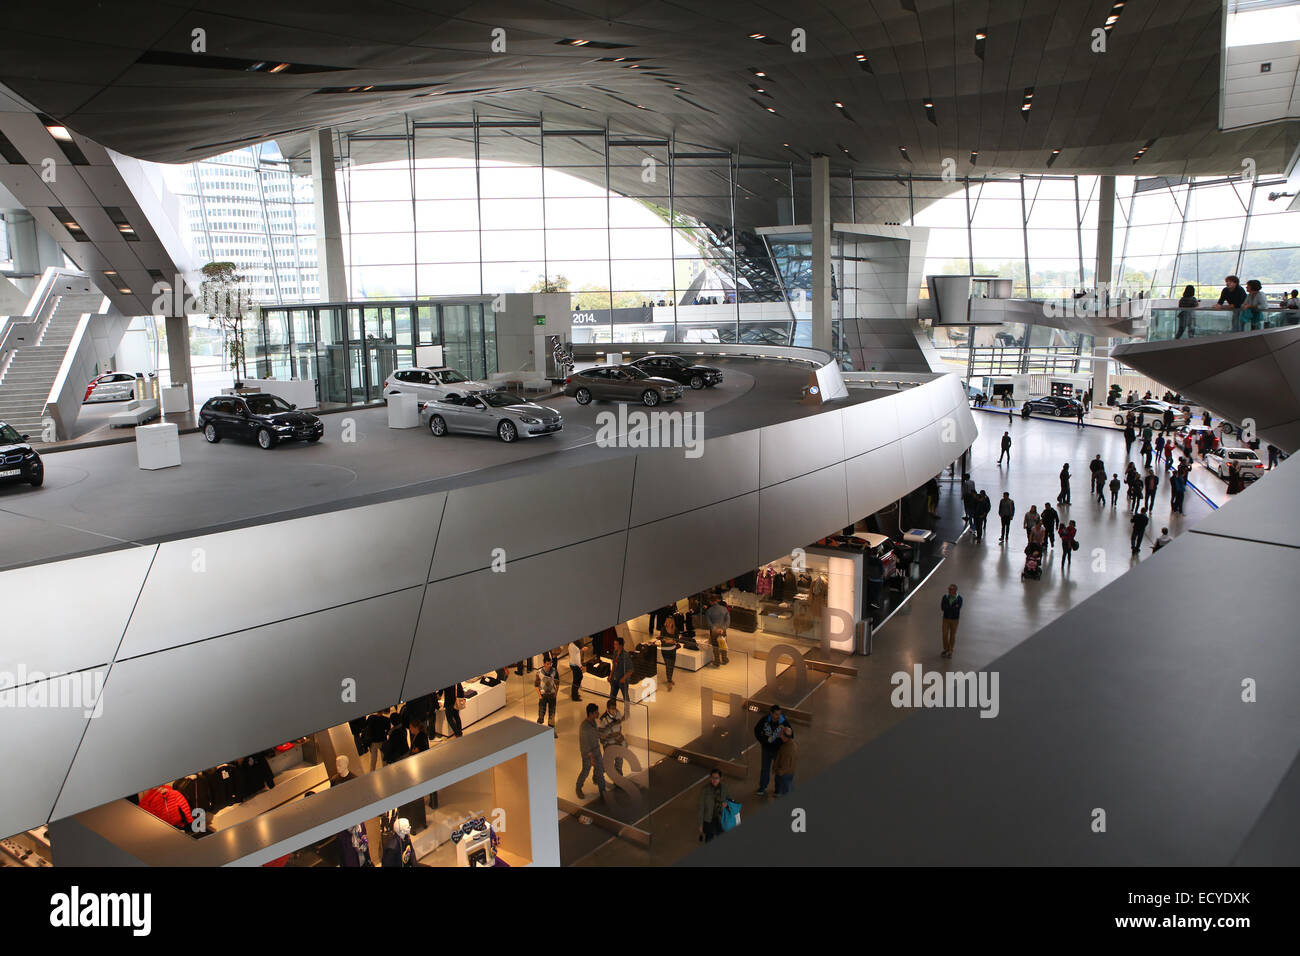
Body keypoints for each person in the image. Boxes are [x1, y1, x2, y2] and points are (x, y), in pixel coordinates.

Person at [753, 704, 789, 796]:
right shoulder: (765, 720)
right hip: (766, 749)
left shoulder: (783, 721)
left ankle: (778, 789)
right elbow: (757, 730)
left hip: (778, 750)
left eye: (779, 714)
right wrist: (763, 741)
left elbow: (790, 733)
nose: (778, 716)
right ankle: (762, 787)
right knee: (765, 769)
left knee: (778, 770)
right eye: (776, 714)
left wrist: (783, 742)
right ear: (771, 713)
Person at [576, 703, 606, 800]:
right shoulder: (584, 727)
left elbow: (595, 733)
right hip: (588, 754)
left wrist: (600, 736)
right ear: (591, 713)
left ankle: (603, 792)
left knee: (600, 770)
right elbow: (585, 745)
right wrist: (591, 758)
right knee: (585, 771)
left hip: (596, 750)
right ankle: (578, 787)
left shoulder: (593, 722)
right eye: (596, 712)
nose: (598, 713)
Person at [698, 769, 731, 843]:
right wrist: (700, 824)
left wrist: (727, 803)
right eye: (713, 777)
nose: (714, 780)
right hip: (708, 819)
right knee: (709, 839)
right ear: (710, 778)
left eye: (717, 778)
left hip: (720, 818)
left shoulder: (724, 788)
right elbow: (701, 808)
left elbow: (730, 799)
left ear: (720, 778)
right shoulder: (705, 790)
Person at [598, 699, 626, 776]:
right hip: (609, 744)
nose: (613, 711)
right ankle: (598, 774)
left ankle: (619, 779)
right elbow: (601, 734)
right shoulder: (604, 720)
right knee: (607, 763)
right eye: (612, 709)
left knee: (619, 761)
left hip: (618, 743)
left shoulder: (618, 714)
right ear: (608, 709)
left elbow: (619, 726)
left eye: (614, 708)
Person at [705, 593, 730, 666]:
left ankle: (717, 661)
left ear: (711, 601)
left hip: (714, 632)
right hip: (723, 630)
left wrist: (715, 629)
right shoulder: (724, 609)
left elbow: (709, 623)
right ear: (717, 600)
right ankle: (724, 659)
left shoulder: (709, 611)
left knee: (715, 646)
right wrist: (723, 628)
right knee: (723, 644)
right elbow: (728, 620)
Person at [772, 726, 797, 797]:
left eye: (781, 733)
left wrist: (778, 772)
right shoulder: (790, 743)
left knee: (785, 791)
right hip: (788, 773)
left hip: (784, 774)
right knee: (787, 787)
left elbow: (785, 765)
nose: (779, 734)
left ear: (784, 736)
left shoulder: (787, 749)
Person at [940, 583, 962, 658]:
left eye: (951, 589)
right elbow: (942, 608)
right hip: (945, 619)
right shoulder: (945, 597)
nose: (949, 591)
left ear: (955, 590)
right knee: (944, 634)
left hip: (955, 620)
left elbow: (957, 610)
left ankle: (950, 651)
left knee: (952, 635)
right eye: (949, 589)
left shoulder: (959, 599)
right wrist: (952, 607)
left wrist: (948, 607)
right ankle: (946, 649)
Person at [607, 636, 632, 704]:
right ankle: (612, 711)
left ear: (620, 645)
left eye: (616, 644)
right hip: (615, 680)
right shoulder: (615, 653)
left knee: (625, 698)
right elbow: (614, 665)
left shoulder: (626, 656)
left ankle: (627, 713)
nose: (614, 645)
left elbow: (630, 670)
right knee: (612, 697)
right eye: (614, 644)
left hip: (622, 681)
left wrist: (623, 679)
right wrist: (610, 676)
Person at [535, 657, 558, 727]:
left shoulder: (554, 671)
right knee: (541, 713)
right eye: (547, 664)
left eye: (550, 664)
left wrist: (555, 694)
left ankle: (551, 730)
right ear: (544, 664)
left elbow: (557, 684)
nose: (549, 665)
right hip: (543, 696)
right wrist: (539, 696)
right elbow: (536, 685)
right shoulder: (539, 672)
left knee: (552, 714)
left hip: (552, 695)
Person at [659, 613, 679, 691]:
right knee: (668, 665)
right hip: (665, 650)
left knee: (672, 665)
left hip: (672, 650)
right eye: (667, 621)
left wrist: (670, 641)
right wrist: (670, 641)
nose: (668, 622)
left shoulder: (675, 629)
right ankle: (669, 681)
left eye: (670, 621)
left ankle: (669, 679)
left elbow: (677, 640)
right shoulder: (663, 629)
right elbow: (662, 639)